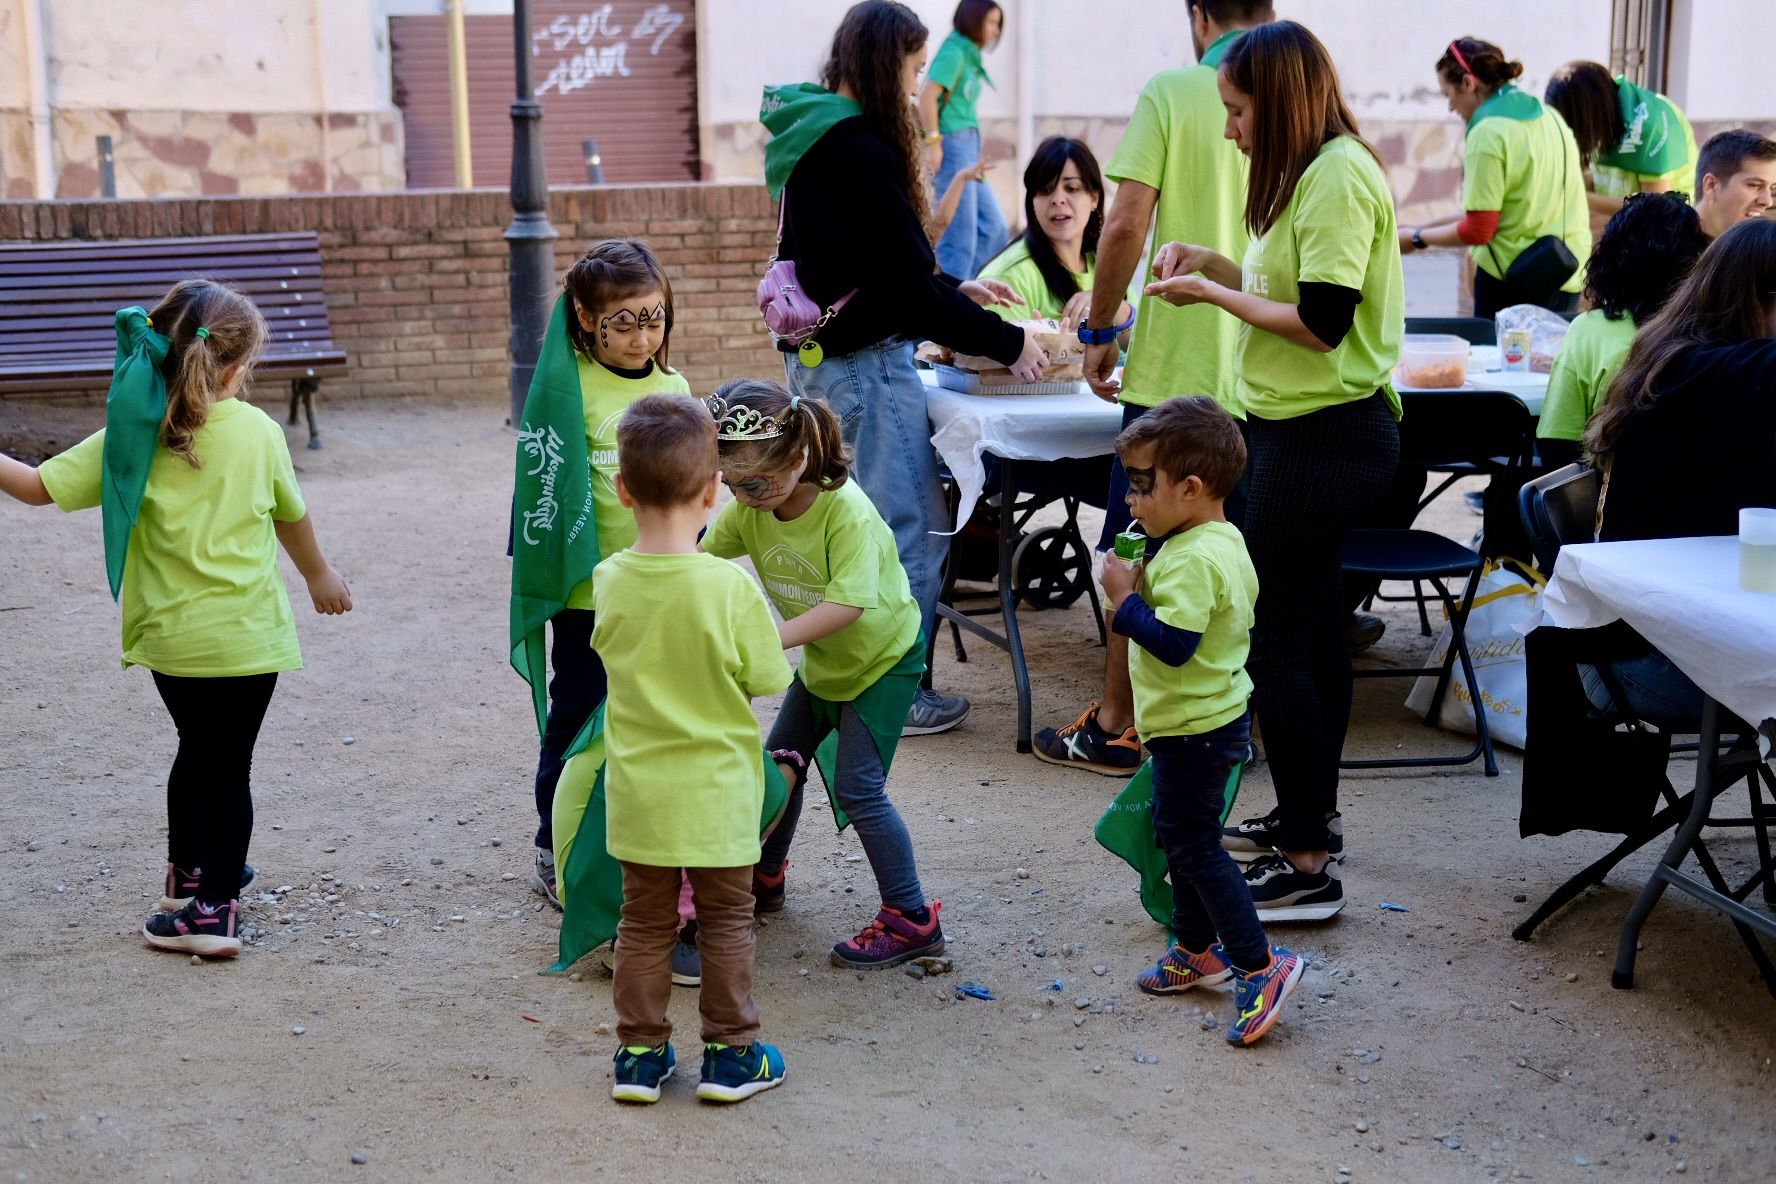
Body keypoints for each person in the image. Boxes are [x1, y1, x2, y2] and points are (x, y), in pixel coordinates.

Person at [0, 280, 352, 957]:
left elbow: (36, 488)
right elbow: (292, 516)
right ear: (237, 365)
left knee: (197, 750)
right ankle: (213, 912)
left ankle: (188, 876)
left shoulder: (133, 433)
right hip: (248, 640)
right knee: (228, 769)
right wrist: (318, 576)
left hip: (171, 643)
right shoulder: (258, 432)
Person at [1142, 21, 1404, 921]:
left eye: (1239, 110)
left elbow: (1323, 321)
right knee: (1316, 632)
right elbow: (1292, 289)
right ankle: (1310, 820)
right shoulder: (1315, 174)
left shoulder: (1336, 175)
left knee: (1276, 641)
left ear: (1281, 101)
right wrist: (1213, 263)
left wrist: (1214, 296)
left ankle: (1305, 867)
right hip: (1301, 431)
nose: (1230, 130)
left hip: (1324, 436)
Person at [760, 0, 1047, 739]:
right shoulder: (860, 149)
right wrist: (1012, 344)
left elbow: (882, 269)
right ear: (887, 64)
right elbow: (899, 290)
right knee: (906, 536)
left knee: (847, 533)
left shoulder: (812, 135)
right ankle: (895, 689)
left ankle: (847, 672)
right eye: (918, 69)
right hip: (863, 369)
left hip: (820, 366)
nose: (924, 87)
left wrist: (955, 289)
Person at [1040, 0, 1271, 776]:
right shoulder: (1298, 90)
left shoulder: (1175, 90)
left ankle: (1115, 726)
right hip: (1270, 374)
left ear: (1199, 13)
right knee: (1232, 563)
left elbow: (1126, 224)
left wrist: (1100, 333)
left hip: (1177, 379)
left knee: (1130, 551)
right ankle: (1229, 728)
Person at [703, 379, 946, 969]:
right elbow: (699, 557)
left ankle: (911, 918)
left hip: (882, 663)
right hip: (825, 662)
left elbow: (847, 606)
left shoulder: (847, 513)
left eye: (753, 482)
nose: (741, 495)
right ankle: (766, 876)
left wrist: (762, 640)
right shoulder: (752, 505)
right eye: (729, 484)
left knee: (859, 788)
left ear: (797, 456)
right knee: (778, 765)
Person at [592, 394, 794, 1105]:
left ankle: (640, 1056)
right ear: (714, 490)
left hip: (640, 793)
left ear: (623, 490)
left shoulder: (609, 580)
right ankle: (733, 1055)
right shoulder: (728, 586)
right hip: (719, 793)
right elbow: (768, 675)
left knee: (643, 923)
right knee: (726, 923)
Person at [1097, 396, 1304, 1045]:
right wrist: (1137, 560)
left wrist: (1124, 601)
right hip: (1195, 724)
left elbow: (1175, 644)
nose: (1130, 500)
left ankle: (1259, 964)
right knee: (1179, 836)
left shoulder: (1190, 559)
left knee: (1194, 847)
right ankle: (1195, 948)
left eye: (1140, 486)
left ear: (1190, 487)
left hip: (1196, 728)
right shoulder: (1212, 537)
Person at [519, 240, 692, 924]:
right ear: (587, 319)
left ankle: (633, 845)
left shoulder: (676, 391)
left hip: (660, 591)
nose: (641, 335)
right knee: (578, 720)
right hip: (590, 599)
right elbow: (546, 491)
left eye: (653, 318)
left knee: (649, 722)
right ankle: (552, 846)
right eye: (623, 322)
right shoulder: (568, 392)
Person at [1575, 218, 1776, 720]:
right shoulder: (1704, 373)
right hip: (1649, 663)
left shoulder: (1681, 358)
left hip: (1671, 635)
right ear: (1758, 298)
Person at [1399, 38, 1591, 317]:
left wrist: (1417, 238)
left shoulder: (1487, 133)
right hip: (1565, 274)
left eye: (1447, 94)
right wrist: (1420, 227)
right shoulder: (1551, 118)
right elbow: (1496, 214)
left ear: (1468, 83)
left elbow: (1479, 229)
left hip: (1513, 283)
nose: (1450, 107)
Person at [1537, 192, 1707, 467]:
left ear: (1609, 258)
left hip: (1604, 497)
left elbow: (1556, 444)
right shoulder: (1711, 328)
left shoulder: (1588, 331)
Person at [977, 136, 1133, 329]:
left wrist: (1108, 303)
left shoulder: (1106, 264)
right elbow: (993, 358)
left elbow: (1141, 345)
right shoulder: (1008, 280)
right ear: (1032, 201)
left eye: (1072, 188)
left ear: (1094, 197)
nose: (1058, 199)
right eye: (1045, 190)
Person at [1544, 60, 1699, 218]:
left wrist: (1577, 196)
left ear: (1586, 116)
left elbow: (1654, 209)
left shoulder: (1653, 125)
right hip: (1619, 219)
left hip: (1663, 227)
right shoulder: (1603, 120)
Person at [921, 0, 1007, 280]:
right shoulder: (955, 51)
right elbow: (927, 96)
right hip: (952, 146)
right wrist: (934, 143)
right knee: (959, 240)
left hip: (968, 145)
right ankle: (949, 302)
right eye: (991, 23)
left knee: (995, 227)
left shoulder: (969, 54)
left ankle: (965, 293)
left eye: (998, 24)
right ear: (973, 19)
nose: (995, 31)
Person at [1692, 129, 1776, 240]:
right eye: (1754, 185)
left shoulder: (1762, 249)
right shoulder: (1666, 248)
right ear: (1711, 185)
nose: (1767, 201)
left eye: (1772, 188)